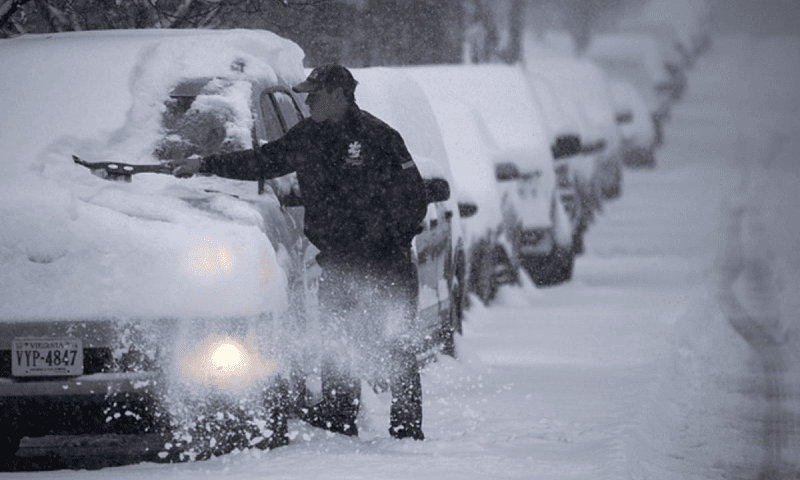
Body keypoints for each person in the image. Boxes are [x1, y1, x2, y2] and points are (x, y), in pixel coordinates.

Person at [170, 64, 429, 441]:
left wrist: (385, 241)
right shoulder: (308, 136)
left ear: (340, 95)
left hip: (385, 263)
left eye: (315, 94)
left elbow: (414, 199)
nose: (307, 101)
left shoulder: (379, 136)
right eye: (306, 94)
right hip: (339, 262)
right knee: (337, 340)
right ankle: (339, 421)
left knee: (394, 343)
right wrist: (205, 164)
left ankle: (407, 431)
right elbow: (263, 161)